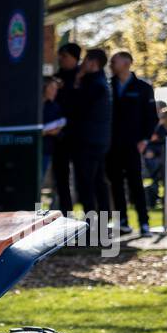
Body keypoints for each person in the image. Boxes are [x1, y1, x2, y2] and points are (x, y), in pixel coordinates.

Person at [107, 51, 157, 235]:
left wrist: (145, 139)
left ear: (127, 63)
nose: (112, 64)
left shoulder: (143, 87)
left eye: (115, 61)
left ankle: (144, 223)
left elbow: (152, 117)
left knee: (136, 184)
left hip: (133, 145)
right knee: (116, 184)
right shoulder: (108, 86)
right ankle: (123, 221)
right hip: (112, 146)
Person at [69, 48, 112, 216]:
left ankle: (93, 228)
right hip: (97, 141)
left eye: (85, 60)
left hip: (88, 142)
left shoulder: (95, 85)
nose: (82, 63)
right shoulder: (101, 82)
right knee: (98, 182)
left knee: (87, 184)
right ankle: (103, 224)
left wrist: (77, 83)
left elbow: (78, 108)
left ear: (93, 63)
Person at [52, 43, 81, 212]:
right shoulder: (56, 78)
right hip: (59, 136)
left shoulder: (83, 78)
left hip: (78, 136)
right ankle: (65, 213)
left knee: (85, 179)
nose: (61, 59)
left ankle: (93, 222)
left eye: (65, 56)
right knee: (61, 179)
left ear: (75, 58)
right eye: (60, 56)